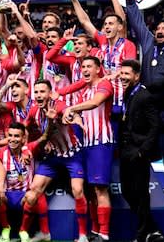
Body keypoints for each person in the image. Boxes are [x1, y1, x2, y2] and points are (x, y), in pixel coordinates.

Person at [123, 0, 164, 207]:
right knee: (142, 155)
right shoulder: (148, 44)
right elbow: (137, 21)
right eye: (157, 28)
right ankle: (143, 197)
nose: (159, 31)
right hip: (145, 114)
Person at [24, 80, 87, 242]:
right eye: (36, 92)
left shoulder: (57, 105)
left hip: (73, 155)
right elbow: (24, 129)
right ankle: (42, 233)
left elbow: (67, 112)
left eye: (42, 92)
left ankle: (82, 236)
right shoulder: (33, 112)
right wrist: (26, 148)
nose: (38, 95)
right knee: (34, 190)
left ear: (50, 94)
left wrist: (73, 117)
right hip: (52, 158)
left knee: (78, 190)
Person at [62, 57, 114, 242]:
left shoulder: (104, 84)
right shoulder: (83, 90)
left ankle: (105, 234)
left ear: (98, 69)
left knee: (100, 188)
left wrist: (72, 108)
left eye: (89, 66)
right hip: (85, 143)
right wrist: (71, 116)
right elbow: (78, 113)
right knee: (90, 190)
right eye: (83, 66)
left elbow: (95, 103)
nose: (85, 69)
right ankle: (93, 231)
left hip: (101, 141)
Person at [118, 59, 164, 242]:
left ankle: (142, 233)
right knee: (127, 192)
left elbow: (155, 126)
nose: (123, 77)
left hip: (138, 151)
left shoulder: (145, 95)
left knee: (141, 194)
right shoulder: (127, 93)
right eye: (121, 73)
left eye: (126, 74)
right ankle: (152, 228)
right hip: (126, 150)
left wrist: (143, 150)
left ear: (137, 76)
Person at [0, 122, 50, 242]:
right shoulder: (1, 153)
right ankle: (5, 228)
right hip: (7, 195)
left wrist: (50, 122)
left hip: (24, 195)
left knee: (33, 196)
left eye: (16, 136)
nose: (12, 139)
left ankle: (23, 230)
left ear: (23, 139)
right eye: (10, 135)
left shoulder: (30, 148)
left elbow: (44, 137)